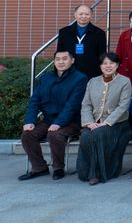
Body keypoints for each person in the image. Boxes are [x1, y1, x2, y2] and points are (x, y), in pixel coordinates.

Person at [19, 51, 88, 181]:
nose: (61, 62)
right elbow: (34, 101)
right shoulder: (46, 77)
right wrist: (30, 120)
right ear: (54, 62)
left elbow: (72, 105)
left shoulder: (80, 78)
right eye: (57, 59)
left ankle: (58, 168)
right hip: (48, 120)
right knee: (27, 135)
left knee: (54, 134)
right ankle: (39, 167)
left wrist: (59, 123)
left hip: (71, 122)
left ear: (72, 60)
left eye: (64, 59)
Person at [77, 53, 132, 185]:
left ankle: (97, 173)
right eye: (104, 63)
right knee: (85, 135)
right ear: (100, 66)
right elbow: (86, 104)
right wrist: (89, 122)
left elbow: (123, 106)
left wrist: (107, 122)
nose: (108, 66)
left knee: (97, 134)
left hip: (118, 124)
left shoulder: (125, 81)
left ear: (117, 65)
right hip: (94, 123)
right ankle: (85, 172)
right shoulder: (93, 81)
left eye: (112, 63)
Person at [56, 4, 107, 78]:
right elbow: (59, 53)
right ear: (75, 15)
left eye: (87, 14)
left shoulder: (99, 33)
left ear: (91, 16)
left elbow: (102, 55)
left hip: (92, 72)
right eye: (80, 14)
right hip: (69, 71)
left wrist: (102, 73)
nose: (83, 16)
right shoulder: (64, 32)